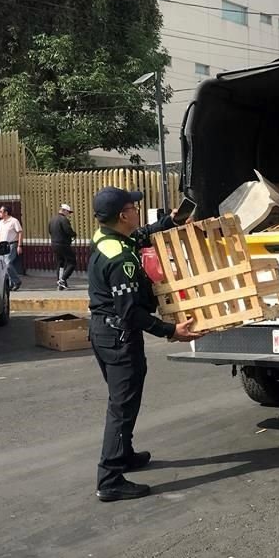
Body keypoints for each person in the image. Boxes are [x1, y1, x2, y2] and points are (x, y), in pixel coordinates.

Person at [87, 187, 202, 502]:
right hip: (119, 336)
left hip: (104, 333)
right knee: (121, 407)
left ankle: (123, 454)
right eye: (133, 208)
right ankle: (110, 478)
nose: (138, 211)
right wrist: (170, 330)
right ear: (123, 215)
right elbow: (130, 312)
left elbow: (140, 236)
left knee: (124, 401)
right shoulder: (121, 259)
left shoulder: (107, 238)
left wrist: (170, 221)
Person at [48, 203, 77, 290]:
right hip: (63, 244)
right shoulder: (64, 220)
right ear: (64, 211)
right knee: (72, 262)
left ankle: (60, 283)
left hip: (54, 244)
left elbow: (50, 231)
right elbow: (68, 230)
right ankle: (63, 280)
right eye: (68, 212)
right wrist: (74, 234)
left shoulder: (52, 219)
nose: (69, 214)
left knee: (60, 263)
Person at [0, 206, 23, 291]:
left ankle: (17, 281)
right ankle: (11, 283)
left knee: (8, 263)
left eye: (0, 211)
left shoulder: (14, 221)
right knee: (4, 264)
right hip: (3, 245)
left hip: (12, 244)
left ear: (6, 213)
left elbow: (20, 232)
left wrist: (19, 245)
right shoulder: (1, 222)